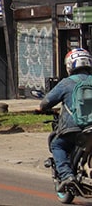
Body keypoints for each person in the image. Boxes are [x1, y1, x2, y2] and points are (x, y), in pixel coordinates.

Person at [40, 48, 92, 191]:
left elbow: (45, 103)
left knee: (58, 145)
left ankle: (67, 175)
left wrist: (41, 109)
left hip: (73, 128)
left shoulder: (66, 83)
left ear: (70, 65)